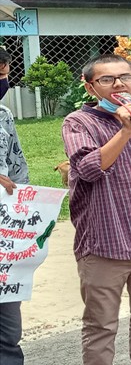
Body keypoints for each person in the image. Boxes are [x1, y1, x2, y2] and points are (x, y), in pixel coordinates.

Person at [62, 54, 131, 365]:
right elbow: (88, 168)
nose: (119, 84)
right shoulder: (78, 122)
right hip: (104, 240)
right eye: (106, 80)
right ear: (90, 87)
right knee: (101, 324)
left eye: (125, 77)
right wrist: (125, 131)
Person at [0, 48, 30, 365]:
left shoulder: (4, 115)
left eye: (3, 74)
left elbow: (17, 169)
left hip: (6, 235)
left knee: (8, 326)